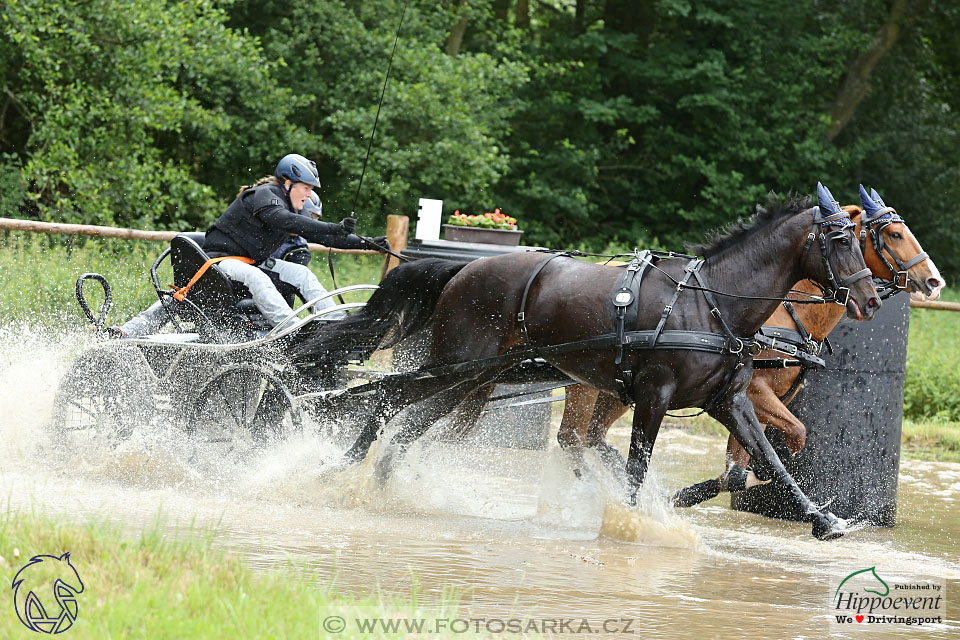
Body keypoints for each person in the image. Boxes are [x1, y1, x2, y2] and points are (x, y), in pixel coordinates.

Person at [117, 154, 385, 337]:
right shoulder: (264, 195)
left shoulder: (291, 205)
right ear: (288, 182)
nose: (309, 194)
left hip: (249, 263)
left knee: (301, 274)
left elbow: (323, 237)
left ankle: (336, 327)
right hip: (219, 262)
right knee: (256, 276)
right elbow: (281, 219)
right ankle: (289, 332)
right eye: (306, 188)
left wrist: (370, 244)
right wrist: (333, 227)